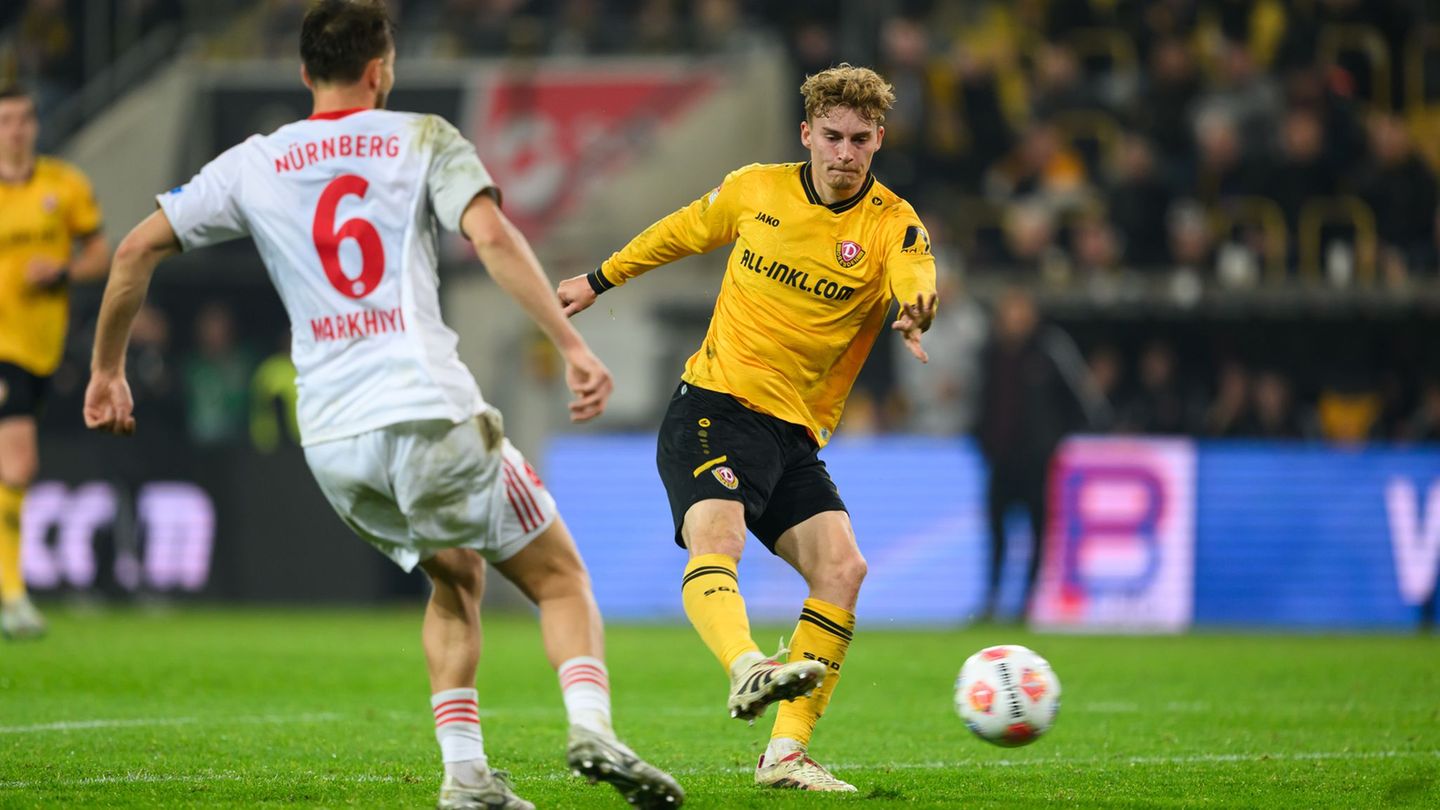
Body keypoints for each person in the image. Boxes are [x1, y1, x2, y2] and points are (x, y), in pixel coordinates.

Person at [82, 3, 682, 809]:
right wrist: (573, 347)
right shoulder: (422, 137)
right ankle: (593, 727)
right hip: (425, 412)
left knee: (454, 578)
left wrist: (106, 371)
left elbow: (131, 251)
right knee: (562, 578)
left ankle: (466, 776)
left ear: (304, 74)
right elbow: (494, 239)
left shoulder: (256, 160)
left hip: (332, 441)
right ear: (381, 70)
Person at [558, 63, 938, 792]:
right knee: (719, 537)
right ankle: (747, 667)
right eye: (832, 136)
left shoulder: (892, 221)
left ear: (878, 140)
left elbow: (916, 273)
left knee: (843, 570)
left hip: (793, 434)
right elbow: (678, 232)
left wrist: (919, 309)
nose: (845, 153)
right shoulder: (754, 190)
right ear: (807, 134)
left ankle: (785, 755)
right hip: (712, 406)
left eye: (860, 139)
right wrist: (599, 278)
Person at [0, 84, 110, 639]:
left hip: (43, 348)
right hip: (3, 350)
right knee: (17, 464)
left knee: (13, 471)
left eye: (22, 118)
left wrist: (62, 270)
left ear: (35, 124)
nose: (14, 130)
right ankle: (12, 597)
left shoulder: (63, 186)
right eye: (4, 121)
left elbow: (99, 253)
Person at [974, 288, 1105, 622]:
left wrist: (1053, 441)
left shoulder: (1049, 349)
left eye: (1020, 310)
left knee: (1038, 532)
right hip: (1000, 459)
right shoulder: (990, 351)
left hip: (1037, 462)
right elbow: (981, 400)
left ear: (1032, 314)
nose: (1014, 319)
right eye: (1009, 310)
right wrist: (982, 438)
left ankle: (1027, 604)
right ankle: (991, 600)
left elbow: (1080, 399)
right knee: (996, 531)